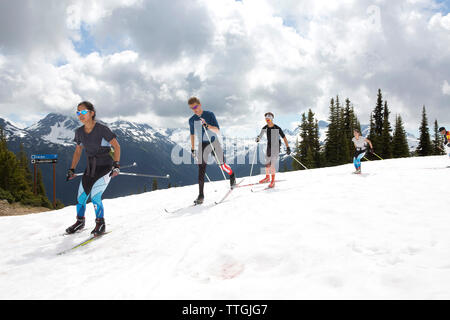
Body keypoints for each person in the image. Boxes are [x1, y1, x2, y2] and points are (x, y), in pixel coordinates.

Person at [65, 101, 121, 236]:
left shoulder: (102, 129)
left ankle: (100, 223)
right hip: (90, 168)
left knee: (96, 196)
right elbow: (78, 151)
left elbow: (117, 146)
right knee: (81, 197)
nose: (80, 115)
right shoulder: (79, 132)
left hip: (105, 168)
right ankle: (80, 222)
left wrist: (116, 165)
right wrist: (72, 169)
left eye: (83, 112)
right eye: (78, 112)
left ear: (92, 113)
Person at [188, 97, 236, 205]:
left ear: (199, 104)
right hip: (202, 145)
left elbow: (217, 130)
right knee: (201, 169)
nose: (194, 109)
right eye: (191, 108)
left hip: (214, 142)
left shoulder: (209, 114)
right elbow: (192, 134)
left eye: (195, 106)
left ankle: (232, 175)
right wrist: (192, 148)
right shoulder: (192, 120)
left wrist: (207, 125)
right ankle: (201, 195)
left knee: (222, 165)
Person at [255, 112, 291, 188]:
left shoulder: (277, 128)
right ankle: (267, 177)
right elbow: (260, 136)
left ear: (272, 118)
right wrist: (258, 138)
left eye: (268, 118)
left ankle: (273, 181)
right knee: (267, 163)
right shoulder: (265, 128)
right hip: (269, 146)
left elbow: (284, 138)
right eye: (266, 118)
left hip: (276, 147)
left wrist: (287, 147)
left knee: (272, 164)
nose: (267, 120)